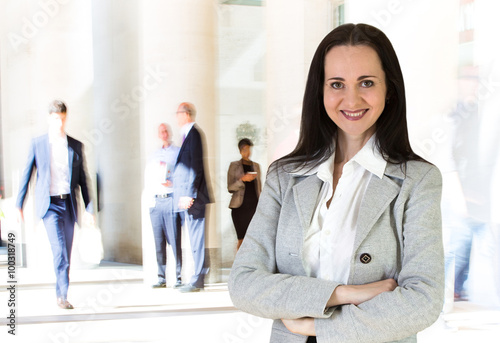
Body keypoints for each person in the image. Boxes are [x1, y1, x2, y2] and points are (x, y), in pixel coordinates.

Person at [228, 23, 444, 342]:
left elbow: (424, 299)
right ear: (321, 90)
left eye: (366, 82)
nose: (351, 99)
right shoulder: (283, 176)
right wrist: (344, 293)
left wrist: (316, 325)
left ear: (390, 89)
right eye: (337, 84)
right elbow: (244, 284)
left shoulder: (417, 179)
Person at [16, 100, 94, 310]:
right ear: (49, 118)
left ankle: (62, 292)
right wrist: (19, 204)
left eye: (62, 119)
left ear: (65, 118)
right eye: (55, 119)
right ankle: (61, 296)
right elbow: (27, 174)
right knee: (59, 249)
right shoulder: (38, 144)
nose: (59, 123)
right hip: (49, 205)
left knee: (66, 252)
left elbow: (84, 179)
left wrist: (89, 207)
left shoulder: (75, 146)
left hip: (68, 203)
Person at [173, 102, 212, 293]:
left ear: (186, 114)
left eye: (178, 113)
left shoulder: (194, 134)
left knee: (197, 239)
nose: (176, 117)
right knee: (194, 238)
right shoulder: (188, 136)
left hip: (195, 197)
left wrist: (189, 194)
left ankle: (198, 279)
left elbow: (195, 167)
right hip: (189, 196)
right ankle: (198, 275)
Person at [145, 123, 182, 288]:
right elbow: (149, 178)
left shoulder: (177, 152)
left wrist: (172, 182)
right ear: (158, 135)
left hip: (171, 199)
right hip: (156, 202)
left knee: (175, 241)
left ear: (170, 133)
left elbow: (182, 174)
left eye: (166, 130)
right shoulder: (154, 155)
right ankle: (161, 277)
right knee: (158, 242)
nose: (164, 133)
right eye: (161, 131)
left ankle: (179, 277)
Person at [227, 138, 262, 251]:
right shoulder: (234, 165)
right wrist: (242, 180)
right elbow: (230, 187)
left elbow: (259, 188)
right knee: (241, 240)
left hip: (254, 207)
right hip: (239, 208)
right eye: (244, 149)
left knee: (253, 239)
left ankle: (253, 265)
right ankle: (239, 267)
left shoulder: (256, 166)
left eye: (249, 149)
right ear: (240, 150)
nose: (247, 152)